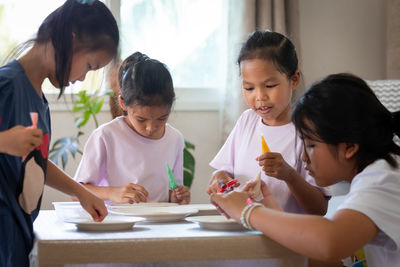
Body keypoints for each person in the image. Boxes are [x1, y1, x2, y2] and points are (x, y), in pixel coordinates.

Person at [211, 73, 400, 266]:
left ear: (349, 147)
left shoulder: (383, 178)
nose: (304, 157)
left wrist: (248, 211)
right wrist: (277, 216)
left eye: (310, 145)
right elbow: (329, 261)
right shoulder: (375, 174)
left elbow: (329, 242)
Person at [0, 0, 119, 265]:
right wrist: (5, 141)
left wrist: (82, 193)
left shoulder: (38, 100)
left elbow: (36, 162)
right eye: (89, 66)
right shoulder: (7, 84)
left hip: (18, 236)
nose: (81, 78)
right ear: (69, 37)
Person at [207, 30, 329, 215]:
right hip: (244, 230)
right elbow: (223, 173)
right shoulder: (247, 121)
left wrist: (289, 175)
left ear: (294, 79)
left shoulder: (308, 130)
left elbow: (319, 208)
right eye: (249, 88)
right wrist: (219, 179)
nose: (260, 97)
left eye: (270, 86)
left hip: (286, 237)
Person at [74, 52, 190, 205]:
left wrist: (175, 197)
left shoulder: (174, 139)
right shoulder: (107, 135)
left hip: (159, 224)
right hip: (119, 223)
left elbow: (170, 192)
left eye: (162, 118)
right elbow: (75, 193)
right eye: (141, 119)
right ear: (122, 103)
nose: (150, 128)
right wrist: (112, 192)